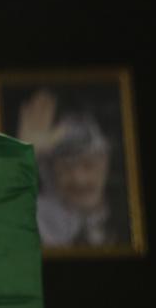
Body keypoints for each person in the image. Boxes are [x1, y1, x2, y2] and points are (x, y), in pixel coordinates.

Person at [17, 90, 127, 246]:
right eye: (64, 167)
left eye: (88, 163)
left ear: (106, 160)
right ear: (50, 172)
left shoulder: (132, 211)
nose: (78, 178)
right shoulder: (37, 219)